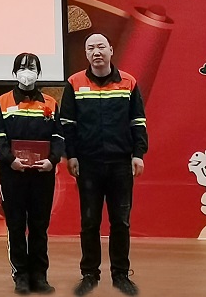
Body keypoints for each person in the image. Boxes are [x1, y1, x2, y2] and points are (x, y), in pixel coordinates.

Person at [60, 33, 148, 297]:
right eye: (90, 48)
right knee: (89, 222)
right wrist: (71, 155)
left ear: (111, 50)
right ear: (86, 54)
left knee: (121, 222)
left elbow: (138, 121)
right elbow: (67, 125)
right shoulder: (74, 83)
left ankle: (121, 274)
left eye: (101, 47)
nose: (96, 52)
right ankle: (89, 274)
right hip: (88, 164)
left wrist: (138, 154)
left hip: (121, 163)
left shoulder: (128, 82)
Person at [0, 53, 64, 295]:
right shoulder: (3, 101)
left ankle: (39, 276)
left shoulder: (50, 103)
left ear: (39, 72)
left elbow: (58, 137)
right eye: (22, 67)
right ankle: (20, 276)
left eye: (31, 67)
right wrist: (10, 160)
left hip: (42, 175)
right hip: (12, 175)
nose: (27, 71)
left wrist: (52, 160)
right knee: (15, 226)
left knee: (39, 227)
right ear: (14, 73)